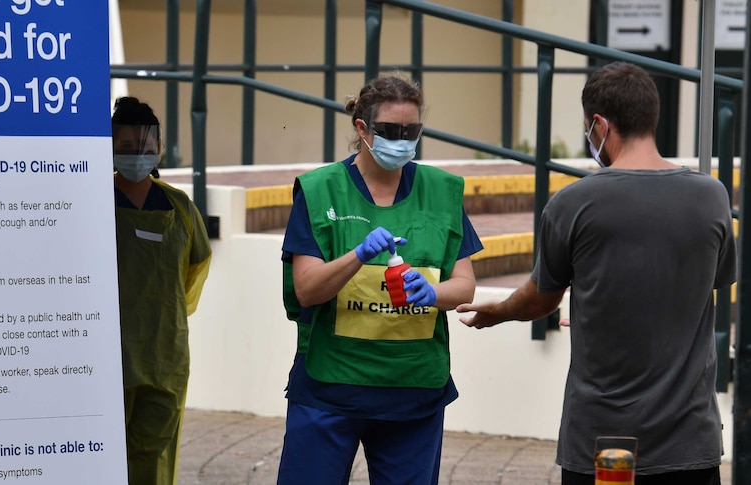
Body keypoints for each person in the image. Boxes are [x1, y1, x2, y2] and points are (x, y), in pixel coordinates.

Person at [457, 62, 736, 485]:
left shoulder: (573, 204)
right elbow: (707, 282)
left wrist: (498, 311)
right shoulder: (712, 198)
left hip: (605, 444)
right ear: (651, 116)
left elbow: (541, 298)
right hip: (689, 442)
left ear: (600, 125)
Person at [278, 74, 483, 485]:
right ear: (362, 128)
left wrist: (433, 293)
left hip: (413, 393)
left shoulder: (441, 192)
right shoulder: (321, 191)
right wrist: (357, 256)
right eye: (391, 131)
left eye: (412, 131)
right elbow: (307, 288)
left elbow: (465, 286)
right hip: (330, 390)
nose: (402, 140)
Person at [112, 96, 212, 485]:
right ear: (109, 147)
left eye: (145, 149)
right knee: (105, 451)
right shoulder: (93, 203)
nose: (137, 156)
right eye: (125, 149)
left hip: (164, 353)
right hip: (106, 353)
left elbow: (195, 268)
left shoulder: (180, 206)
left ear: (159, 149)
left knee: (156, 453)